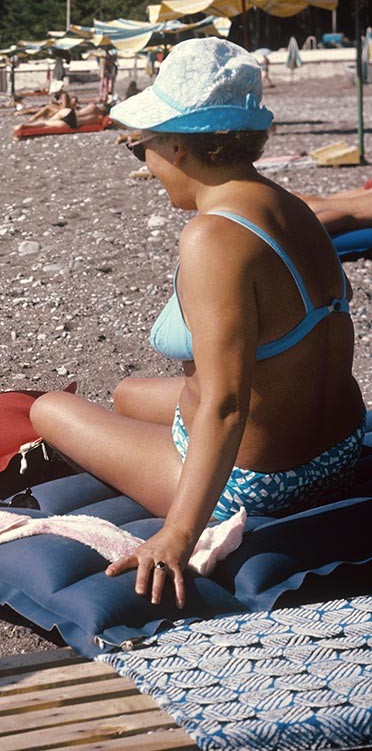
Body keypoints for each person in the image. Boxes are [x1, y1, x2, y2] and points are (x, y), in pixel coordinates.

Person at [30, 39, 365, 608]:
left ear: (179, 147)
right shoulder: (290, 206)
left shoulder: (213, 239)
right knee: (125, 393)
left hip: (263, 482)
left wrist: (178, 534)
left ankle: (175, 471)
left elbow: (226, 404)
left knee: (48, 408)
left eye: (143, 151)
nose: (149, 167)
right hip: (342, 449)